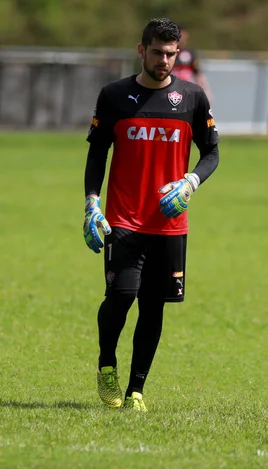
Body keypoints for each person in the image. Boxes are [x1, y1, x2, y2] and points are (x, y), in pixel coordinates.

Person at [83, 18, 220, 412]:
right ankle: (106, 363)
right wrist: (92, 200)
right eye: (157, 52)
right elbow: (97, 152)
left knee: (153, 305)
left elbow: (212, 152)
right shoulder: (113, 96)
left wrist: (191, 182)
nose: (164, 60)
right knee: (121, 295)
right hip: (123, 219)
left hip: (170, 224)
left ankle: (136, 390)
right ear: (141, 50)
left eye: (171, 54)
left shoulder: (193, 98)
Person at [171, 24, 212, 101]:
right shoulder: (168, 53)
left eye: (183, 34)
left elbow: (197, 73)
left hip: (187, 91)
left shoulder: (189, 53)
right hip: (172, 91)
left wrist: (205, 91)